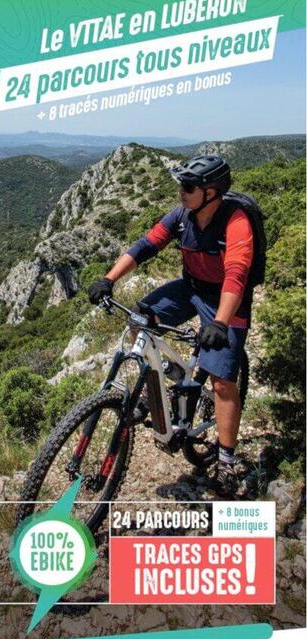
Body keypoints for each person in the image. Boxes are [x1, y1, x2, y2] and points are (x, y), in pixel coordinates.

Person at [88, 155, 254, 498]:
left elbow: (237, 277)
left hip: (225, 299)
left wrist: (220, 322)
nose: (181, 191)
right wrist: (109, 279)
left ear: (211, 192)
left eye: (188, 186)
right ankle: (159, 385)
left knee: (222, 381)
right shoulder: (182, 216)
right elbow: (145, 245)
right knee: (139, 318)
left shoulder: (236, 223)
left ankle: (225, 461)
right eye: (181, 184)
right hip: (190, 287)